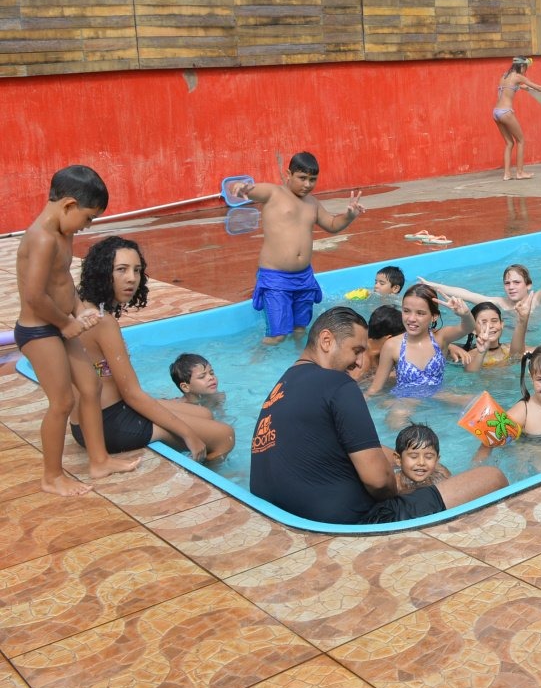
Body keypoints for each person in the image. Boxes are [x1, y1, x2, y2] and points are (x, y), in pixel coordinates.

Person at [250, 306, 507, 524]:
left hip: (279, 513)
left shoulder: (284, 384)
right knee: (490, 477)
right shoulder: (339, 385)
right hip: (351, 520)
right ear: (326, 341)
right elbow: (378, 482)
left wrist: (404, 465)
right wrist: (403, 488)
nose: (361, 362)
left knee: (407, 464)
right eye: (356, 350)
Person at [17, 165, 139, 495]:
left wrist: (78, 308)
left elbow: (62, 281)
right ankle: (51, 476)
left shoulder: (63, 232)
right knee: (61, 402)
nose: (86, 227)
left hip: (57, 325)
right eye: (87, 218)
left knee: (91, 385)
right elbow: (34, 296)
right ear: (69, 205)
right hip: (39, 333)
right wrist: (65, 323)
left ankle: (98, 460)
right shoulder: (41, 238)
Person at [76, 237, 235, 462]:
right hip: (109, 424)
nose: (132, 278)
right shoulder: (102, 322)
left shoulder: (84, 309)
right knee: (224, 436)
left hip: (87, 421)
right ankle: (209, 475)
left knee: (205, 413)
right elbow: (132, 394)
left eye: (137, 270)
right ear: (102, 272)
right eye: (121, 270)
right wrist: (189, 435)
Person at [235, 152, 364, 345]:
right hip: (275, 277)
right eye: (302, 178)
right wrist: (241, 188)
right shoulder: (273, 193)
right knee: (277, 335)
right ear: (289, 174)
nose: (307, 184)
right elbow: (252, 190)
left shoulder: (312, 203)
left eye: (313, 179)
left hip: (303, 278)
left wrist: (349, 216)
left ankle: (297, 362)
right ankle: (258, 363)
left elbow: (332, 224)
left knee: (299, 330)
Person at [418, 244, 541, 324]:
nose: (511, 286)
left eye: (517, 282)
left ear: (528, 285)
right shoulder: (499, 304)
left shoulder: (537, 300)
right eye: (507, 283)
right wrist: (433, 286)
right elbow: (467, 294)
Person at [367, 285, 476, 397]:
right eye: (406, 311)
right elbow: (375, 388)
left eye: (420, 313)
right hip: (405, 402)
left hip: (439, 396)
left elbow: (468, 328)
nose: (411, 318)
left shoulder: (440, 337)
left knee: (474, 401)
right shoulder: (392, 345)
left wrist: (466, 314)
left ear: (434, 316)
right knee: (400, 412)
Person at [494, 55, 541, 180]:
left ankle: (507, 174)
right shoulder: (518, 76)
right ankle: (520, 172)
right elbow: (539, 87)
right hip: (506, 112)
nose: (526, 71)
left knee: (509, 143)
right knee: (521, 141)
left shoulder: (505, 76)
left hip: (496, 112)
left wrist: (524, 88)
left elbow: (511, 88)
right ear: (521, 66)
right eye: (526, 68)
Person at [451, 300, 531, 371]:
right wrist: (481, 353)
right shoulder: (469, 356)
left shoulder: (509, 349)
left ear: (502, 324)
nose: (490, 326)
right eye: (484, 322)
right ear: (474, 329)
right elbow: (471, 374)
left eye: (494, 321)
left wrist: (523, 319)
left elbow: (520, 355)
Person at [392, 423, 452, 492]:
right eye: (413, 456)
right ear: (398, 459)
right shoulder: (395, 485)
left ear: (436, 461)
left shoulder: (442, 475)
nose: (421, 462)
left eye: (428, 457)